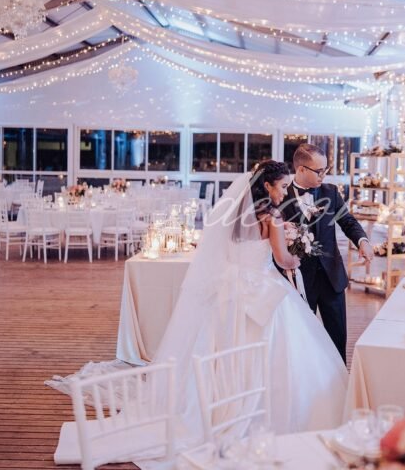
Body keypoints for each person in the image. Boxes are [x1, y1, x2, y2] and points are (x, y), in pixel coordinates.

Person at [149, 160, 348, 445]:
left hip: (228, 291)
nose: (283, 192)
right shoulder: (272, 218)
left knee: (218, 344)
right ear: (267, 186)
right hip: (264, 289)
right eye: (281, 187)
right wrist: (299, 253)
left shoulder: (231, 215)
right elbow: (282, 259)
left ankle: (213, 404)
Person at [278, 144, 373, 362]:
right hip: (298, 281)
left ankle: (340, 388)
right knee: (302, 340)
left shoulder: (331, 192)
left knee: (337, 339)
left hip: (332, 277)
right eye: (318, 171)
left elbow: (347, 221)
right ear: (301, 169)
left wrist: (363, 241)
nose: (323, 175)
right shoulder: (281, 197)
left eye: (325, 170)